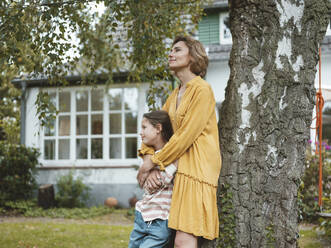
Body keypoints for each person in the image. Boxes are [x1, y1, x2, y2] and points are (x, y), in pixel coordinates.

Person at [137, 36, 222, 248]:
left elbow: (185, 136)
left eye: (177, 50)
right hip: (176, 167)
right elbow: (157, 130)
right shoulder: (175, 93)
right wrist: (149, 161)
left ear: (192, 56)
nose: (170, 54)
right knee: (162, 237)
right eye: (171, 50)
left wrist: (153, 162)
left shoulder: (202, 89)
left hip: (196, 171)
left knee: (183, 240)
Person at [129, 110, 177, 248]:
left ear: (158, 128)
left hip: (159, 219)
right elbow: (143, 181)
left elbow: (158, 182)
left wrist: (170, 167)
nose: (141, 132)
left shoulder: (171, 153)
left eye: (144, 127)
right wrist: (148, 170)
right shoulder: (148, 155)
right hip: (142, 215)